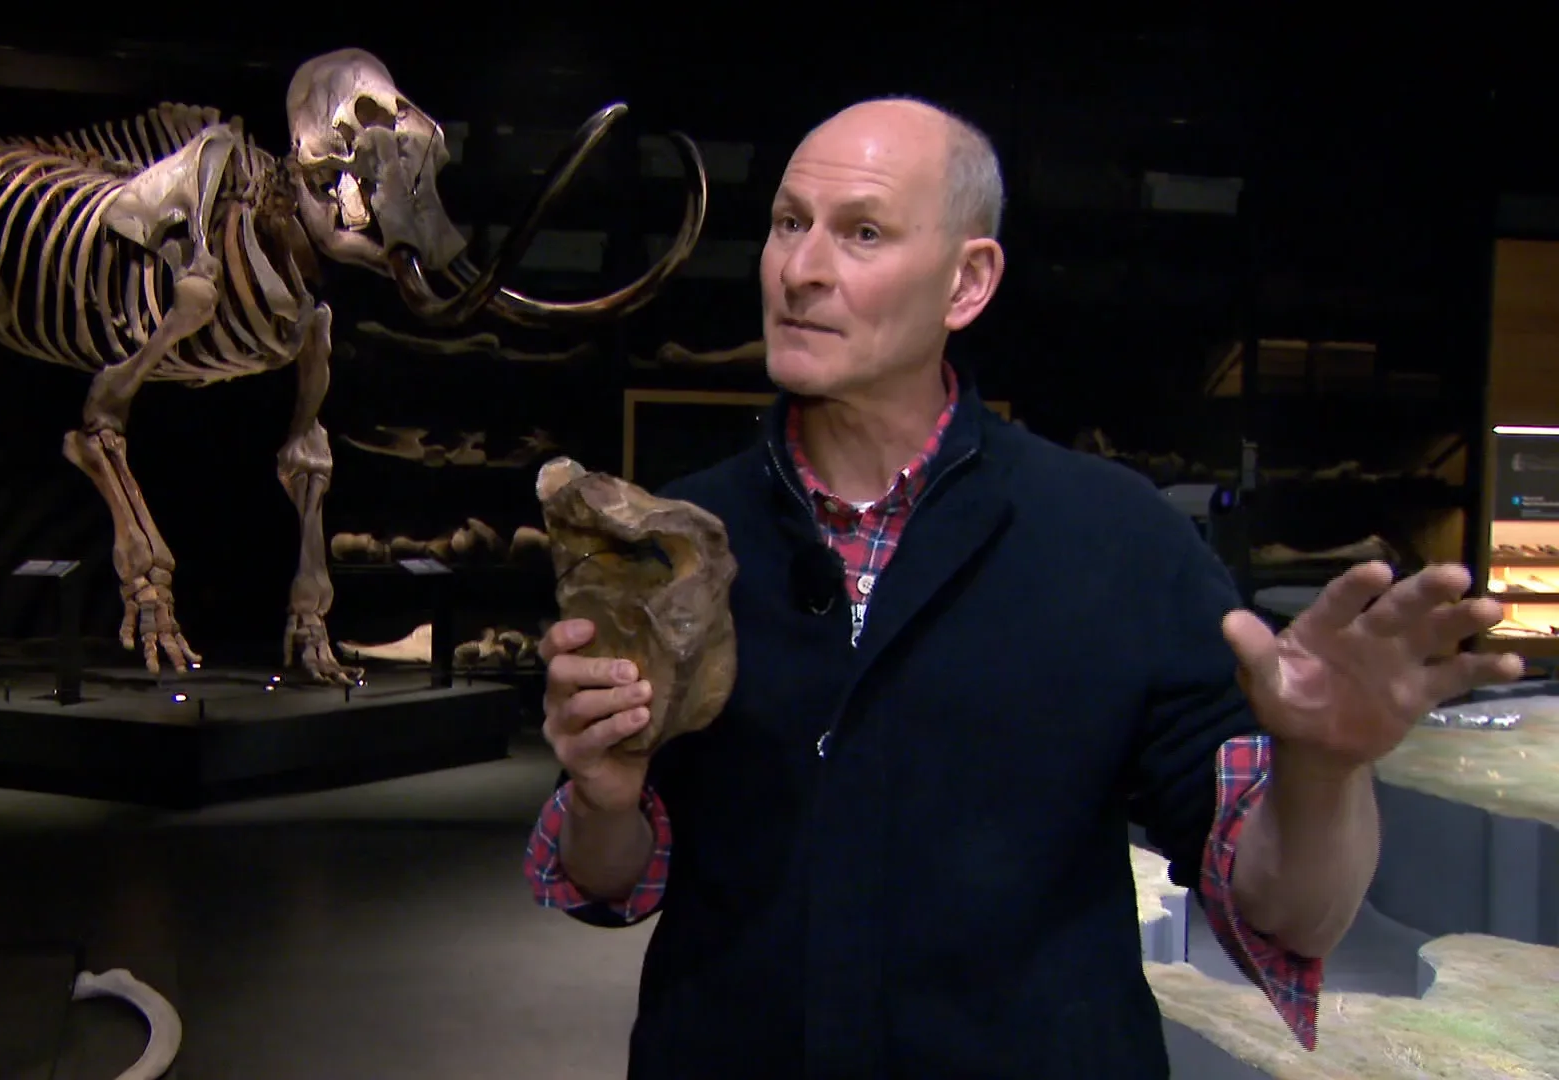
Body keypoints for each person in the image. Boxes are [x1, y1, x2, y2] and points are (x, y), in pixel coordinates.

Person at [522, 97, 1522, 1078]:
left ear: (968, 283)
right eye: (790, 224)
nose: (801, 269)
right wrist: (605, 797)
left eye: (862, 233)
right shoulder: (678, 540)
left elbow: (1289, 912)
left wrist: (1325, 770)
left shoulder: (1119, 542)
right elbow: (612, 878)